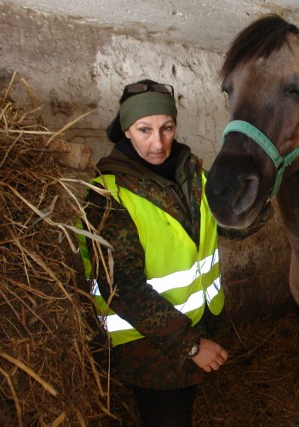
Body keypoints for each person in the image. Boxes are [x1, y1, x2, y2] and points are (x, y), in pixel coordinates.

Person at [82, 79, 228, 427]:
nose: (158, 143)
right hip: (150, 348)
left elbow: (227, 225)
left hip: (197, 326)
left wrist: (258, 200)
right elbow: (122, 288)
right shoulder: (110, 195)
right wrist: (192, 345)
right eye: (144, 129)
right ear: (126, 131)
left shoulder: (192, 173)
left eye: (167, 128)